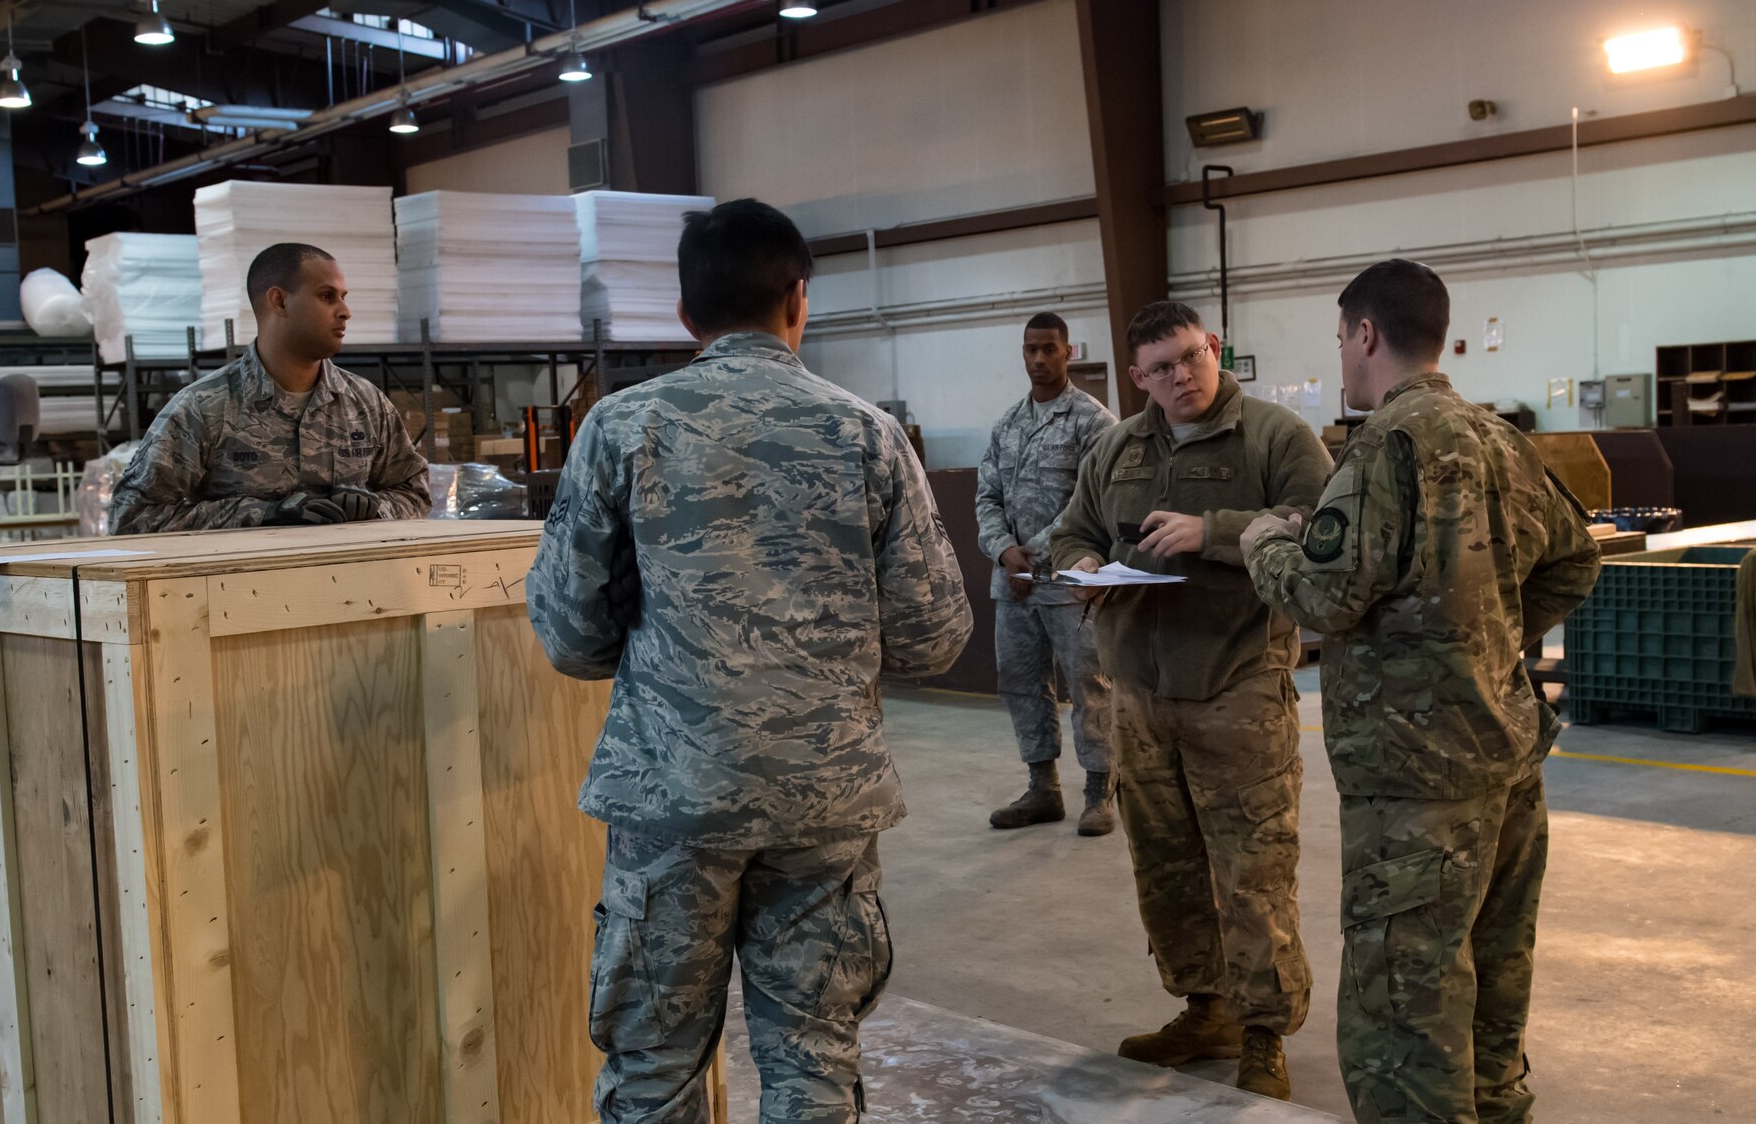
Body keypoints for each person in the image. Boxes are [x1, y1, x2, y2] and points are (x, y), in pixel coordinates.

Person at [527, 198, 971, 1124]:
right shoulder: (868, 434)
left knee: (653, 1068)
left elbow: (569, 634)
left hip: (671, 796)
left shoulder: (618, 429)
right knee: (812, 1060)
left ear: (686, 315)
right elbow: (935, 635)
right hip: (825, 799)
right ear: (798, 299)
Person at [1240, 259, 1601, 1123]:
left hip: (1414, 785)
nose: (1341, 356)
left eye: (1340, 338)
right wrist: (1483, 640)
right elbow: (1576, 556)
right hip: (1507, 757)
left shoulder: (1386, 446)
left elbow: (1324, 595)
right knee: (1494, 971)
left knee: (1403, 1009)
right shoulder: (1499, 438)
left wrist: (1263, 541)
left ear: (1367, 334)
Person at [1048, 300, 1330, 1100]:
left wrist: (1213, 532)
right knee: (1168, 868)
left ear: (1215, 348)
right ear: (1137, 378)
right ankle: (1206, 1007)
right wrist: (1084, 571)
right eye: (1162, 368)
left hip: (1236, 688)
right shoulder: (1116, 449)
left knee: (1254, 870)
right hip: (1139, 694)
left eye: (1192, 356)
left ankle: (1265, 1031)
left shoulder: (1275, 437)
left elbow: (1319, 530)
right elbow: (1072, 531)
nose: (1182, 376)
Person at [109, 242, 430, 533]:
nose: (345, 311)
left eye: (343, 298)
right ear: (279, 301)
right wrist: (262, 514)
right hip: (244, 593)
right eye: (327, 296)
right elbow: (131, 517)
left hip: (351, 593)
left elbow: (414, 492)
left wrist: (376, 507)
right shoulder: (204, 408)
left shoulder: (365, 404)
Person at [975, 311, 1118, 834]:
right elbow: (986, 495)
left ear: (1068, 352)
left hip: (1068, 583)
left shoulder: (1093, 421)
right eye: (1030, 349)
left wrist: (1030, 554)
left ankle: (1100, 792)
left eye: (1048, 349)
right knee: (1020, 683)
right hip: (1010, 584)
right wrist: (1000, 549)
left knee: (1089, 685)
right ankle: (1043, 789)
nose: (1038, 359)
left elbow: (1091, 500)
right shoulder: (1007, 423)